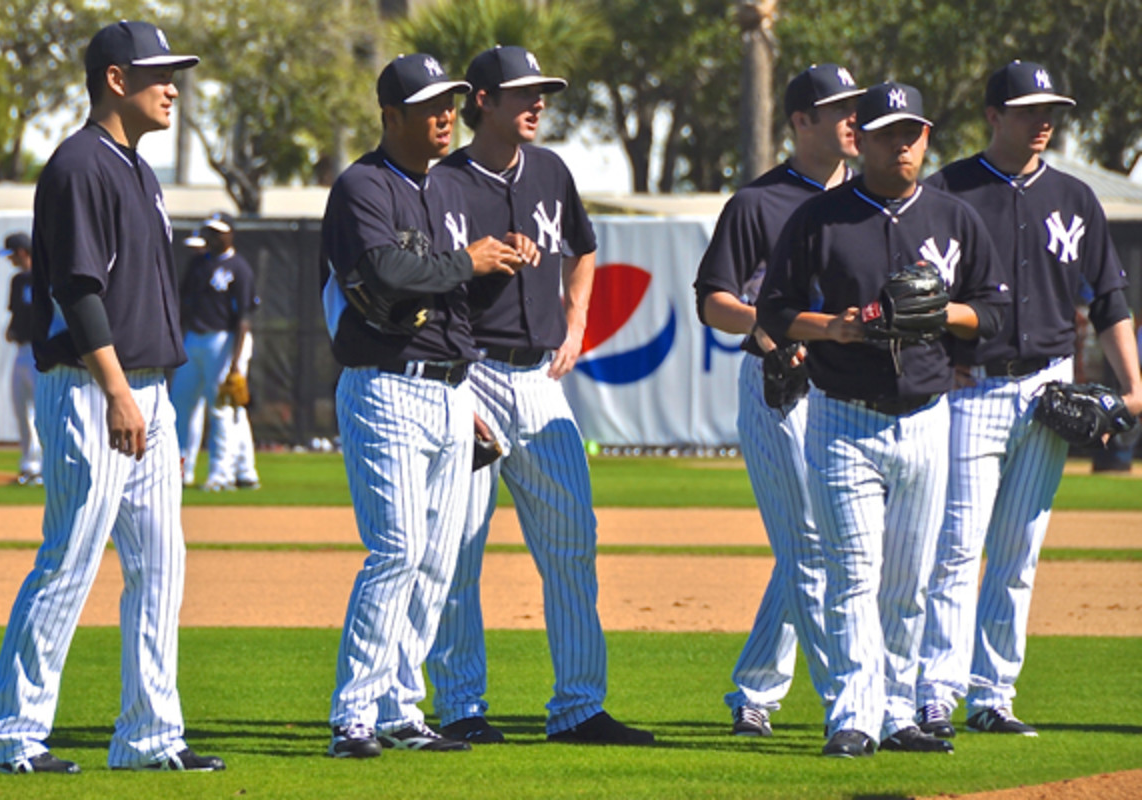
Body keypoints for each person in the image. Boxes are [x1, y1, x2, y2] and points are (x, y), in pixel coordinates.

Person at [0, 21, 224, 774]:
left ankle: (149, 736)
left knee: (162, 567)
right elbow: (77, 290)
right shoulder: (81, 164)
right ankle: (8, 737)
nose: (172, 86)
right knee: (70, 560)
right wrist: (117, 390)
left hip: (147, 390)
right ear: (116, 79)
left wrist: (144, 393)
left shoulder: (137, 170)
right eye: (159, 74)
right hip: (94, 390)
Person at [756, 81, 1009, 758]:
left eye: (912, 132)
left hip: (927, 416)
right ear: (859, 138)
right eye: (887, 132)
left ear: (926, 136)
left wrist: (945, 313)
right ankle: (853, 716)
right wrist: (834, 329)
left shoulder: (955, 218)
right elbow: (773, 312)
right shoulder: (820, 220)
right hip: (841, 417)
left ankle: (898, 712)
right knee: (853, 573)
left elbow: (991, 312)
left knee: (907, 579)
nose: (902, 144)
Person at [425, 45, 653, 746]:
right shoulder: (440, 182)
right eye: (523, 92)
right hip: (472, 376)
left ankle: (579, 708)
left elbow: (582, 247)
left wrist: (577, 320)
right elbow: (421, 280)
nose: (539, 103)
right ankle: (461, 705)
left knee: (572, 546)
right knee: (456, 549)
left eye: (543, 92)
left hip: (541, 382)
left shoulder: (552, 171)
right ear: (482, 101)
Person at [915, 61, 1142, 738]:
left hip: (1047, 391)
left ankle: (993, 696)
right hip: (970, 389)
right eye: (1027, 110)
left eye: (1051, 110)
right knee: (954, 549)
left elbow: (1109, 300)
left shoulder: (1074, 198)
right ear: (992, 114)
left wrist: (1134, 385)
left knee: (1018, 551)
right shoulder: (948, 191)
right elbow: (918, 298)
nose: (1043, 121)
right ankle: (934, 692)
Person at [320, 52, 530, 759]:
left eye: (450, 103)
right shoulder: (362, 185)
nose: (446, 116)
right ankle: (353, 715)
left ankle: (400, 709)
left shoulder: (445, 191)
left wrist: (466, 387)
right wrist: (467, 262)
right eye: (429, 105)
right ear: (392, 115)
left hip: (445, 389)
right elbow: (385, 269)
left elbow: (454, 304)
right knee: (397, 551)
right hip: (384, 382)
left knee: (437, 562)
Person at [694, 64, 863, 738]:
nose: (854, 119)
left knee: (824, 545)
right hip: (779, 388)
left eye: (857, 107)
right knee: (812, 545)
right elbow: (712, 300)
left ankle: (754, 690)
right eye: (838, 109)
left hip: (853, 391)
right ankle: (851, 704)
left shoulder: (872, 201)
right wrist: (763, 322)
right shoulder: (757, 203)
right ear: (800, 121)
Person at [170, 212, 261, 490]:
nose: (213, 236)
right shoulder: (199, 265)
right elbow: (183, 306)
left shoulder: (239, 268)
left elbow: (244, 318)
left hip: (224, 340)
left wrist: (234, 363)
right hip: (194, 339)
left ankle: (222, 474)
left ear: (230, 234)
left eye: (218, 231)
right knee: (181, 405)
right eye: (210, 231)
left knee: (221, 410)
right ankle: (180, 471)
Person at [0, 232, 43, 485]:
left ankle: (45, 467)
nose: (10, 260)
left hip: (41, 351)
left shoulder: (46, 277)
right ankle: (29, 465)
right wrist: (12, 328)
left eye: (12, 254)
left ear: (23, 252)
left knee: (41, 411)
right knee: (21, 407)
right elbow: (16, 312)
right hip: (21, 349)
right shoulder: (17, 281)